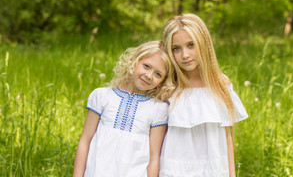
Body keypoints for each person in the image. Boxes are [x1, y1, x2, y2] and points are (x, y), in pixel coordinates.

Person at [159, 13, 248, 177]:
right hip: (176, 166)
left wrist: (231, 174)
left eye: (191, 45)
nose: (185, 55)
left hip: (212, 166)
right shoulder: (168, 88)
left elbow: (226, 136)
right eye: (176, 49)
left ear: (204, 44)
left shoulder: (220, 84)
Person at [73, 40, 174, 177]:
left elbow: (154, 158)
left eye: (158, 74)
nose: (149, 76)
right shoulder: (102, 96)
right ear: (133, 62)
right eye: (146, 66)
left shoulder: (158, 109)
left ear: (163, 81)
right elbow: (85, 141)